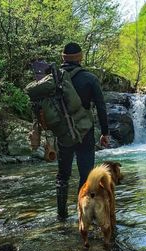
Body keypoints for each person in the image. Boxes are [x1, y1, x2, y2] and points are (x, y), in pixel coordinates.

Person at [56, 42, 109, 221]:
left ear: (62, 57)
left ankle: (61, 216)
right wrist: (105, 132)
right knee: (86, 176)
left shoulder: (53, 79)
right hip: (85, 131)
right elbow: (101, 106)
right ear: (80, 57)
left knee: (62, 176)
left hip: (63, 133)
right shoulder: (89, 78)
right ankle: (83, 215)